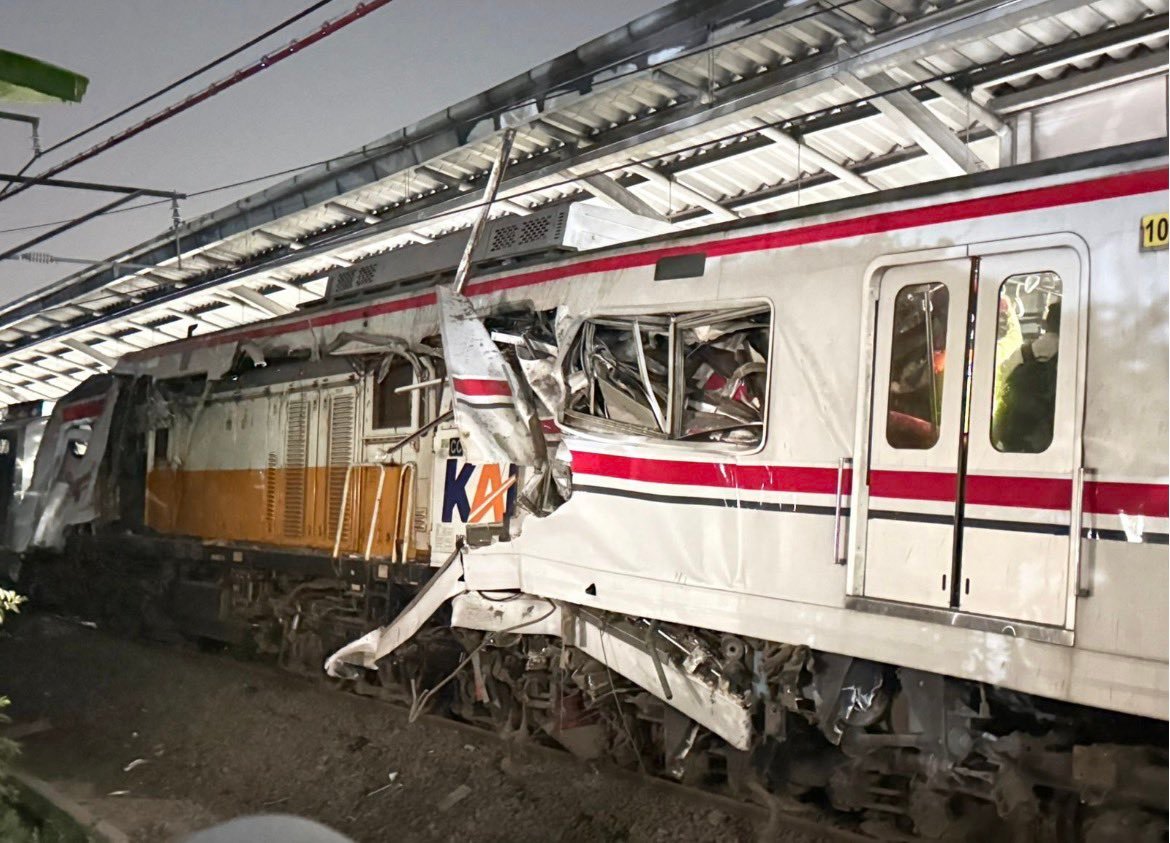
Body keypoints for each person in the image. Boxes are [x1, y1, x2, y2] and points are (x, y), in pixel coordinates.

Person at [992, 301, 1060, 453]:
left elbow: (1002, 384)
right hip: (1049, 435)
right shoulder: (1073, 357)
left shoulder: (1023, 353)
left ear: (1045, 324)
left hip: (1017, 431)